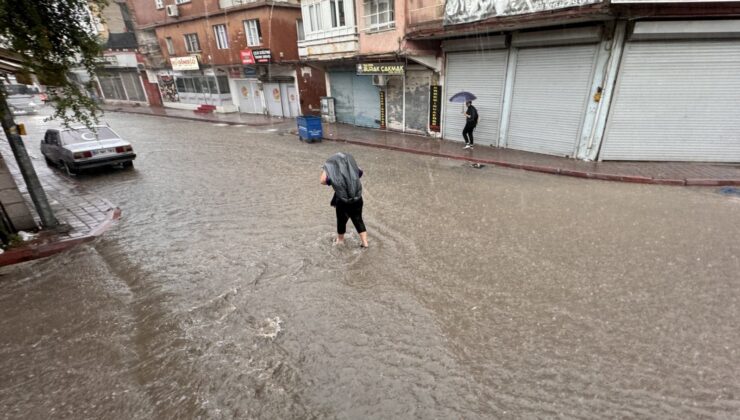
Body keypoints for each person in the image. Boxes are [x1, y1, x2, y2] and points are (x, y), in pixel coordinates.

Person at [320, 152, 369, 248]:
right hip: (357, 199)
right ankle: (365, 243)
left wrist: (326, 169)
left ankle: (340, 241)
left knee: (341, 221)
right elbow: (360, 172)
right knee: (358, 219)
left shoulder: (334, 175)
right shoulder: (353, 172)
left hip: (342, 201)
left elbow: (322, 181)